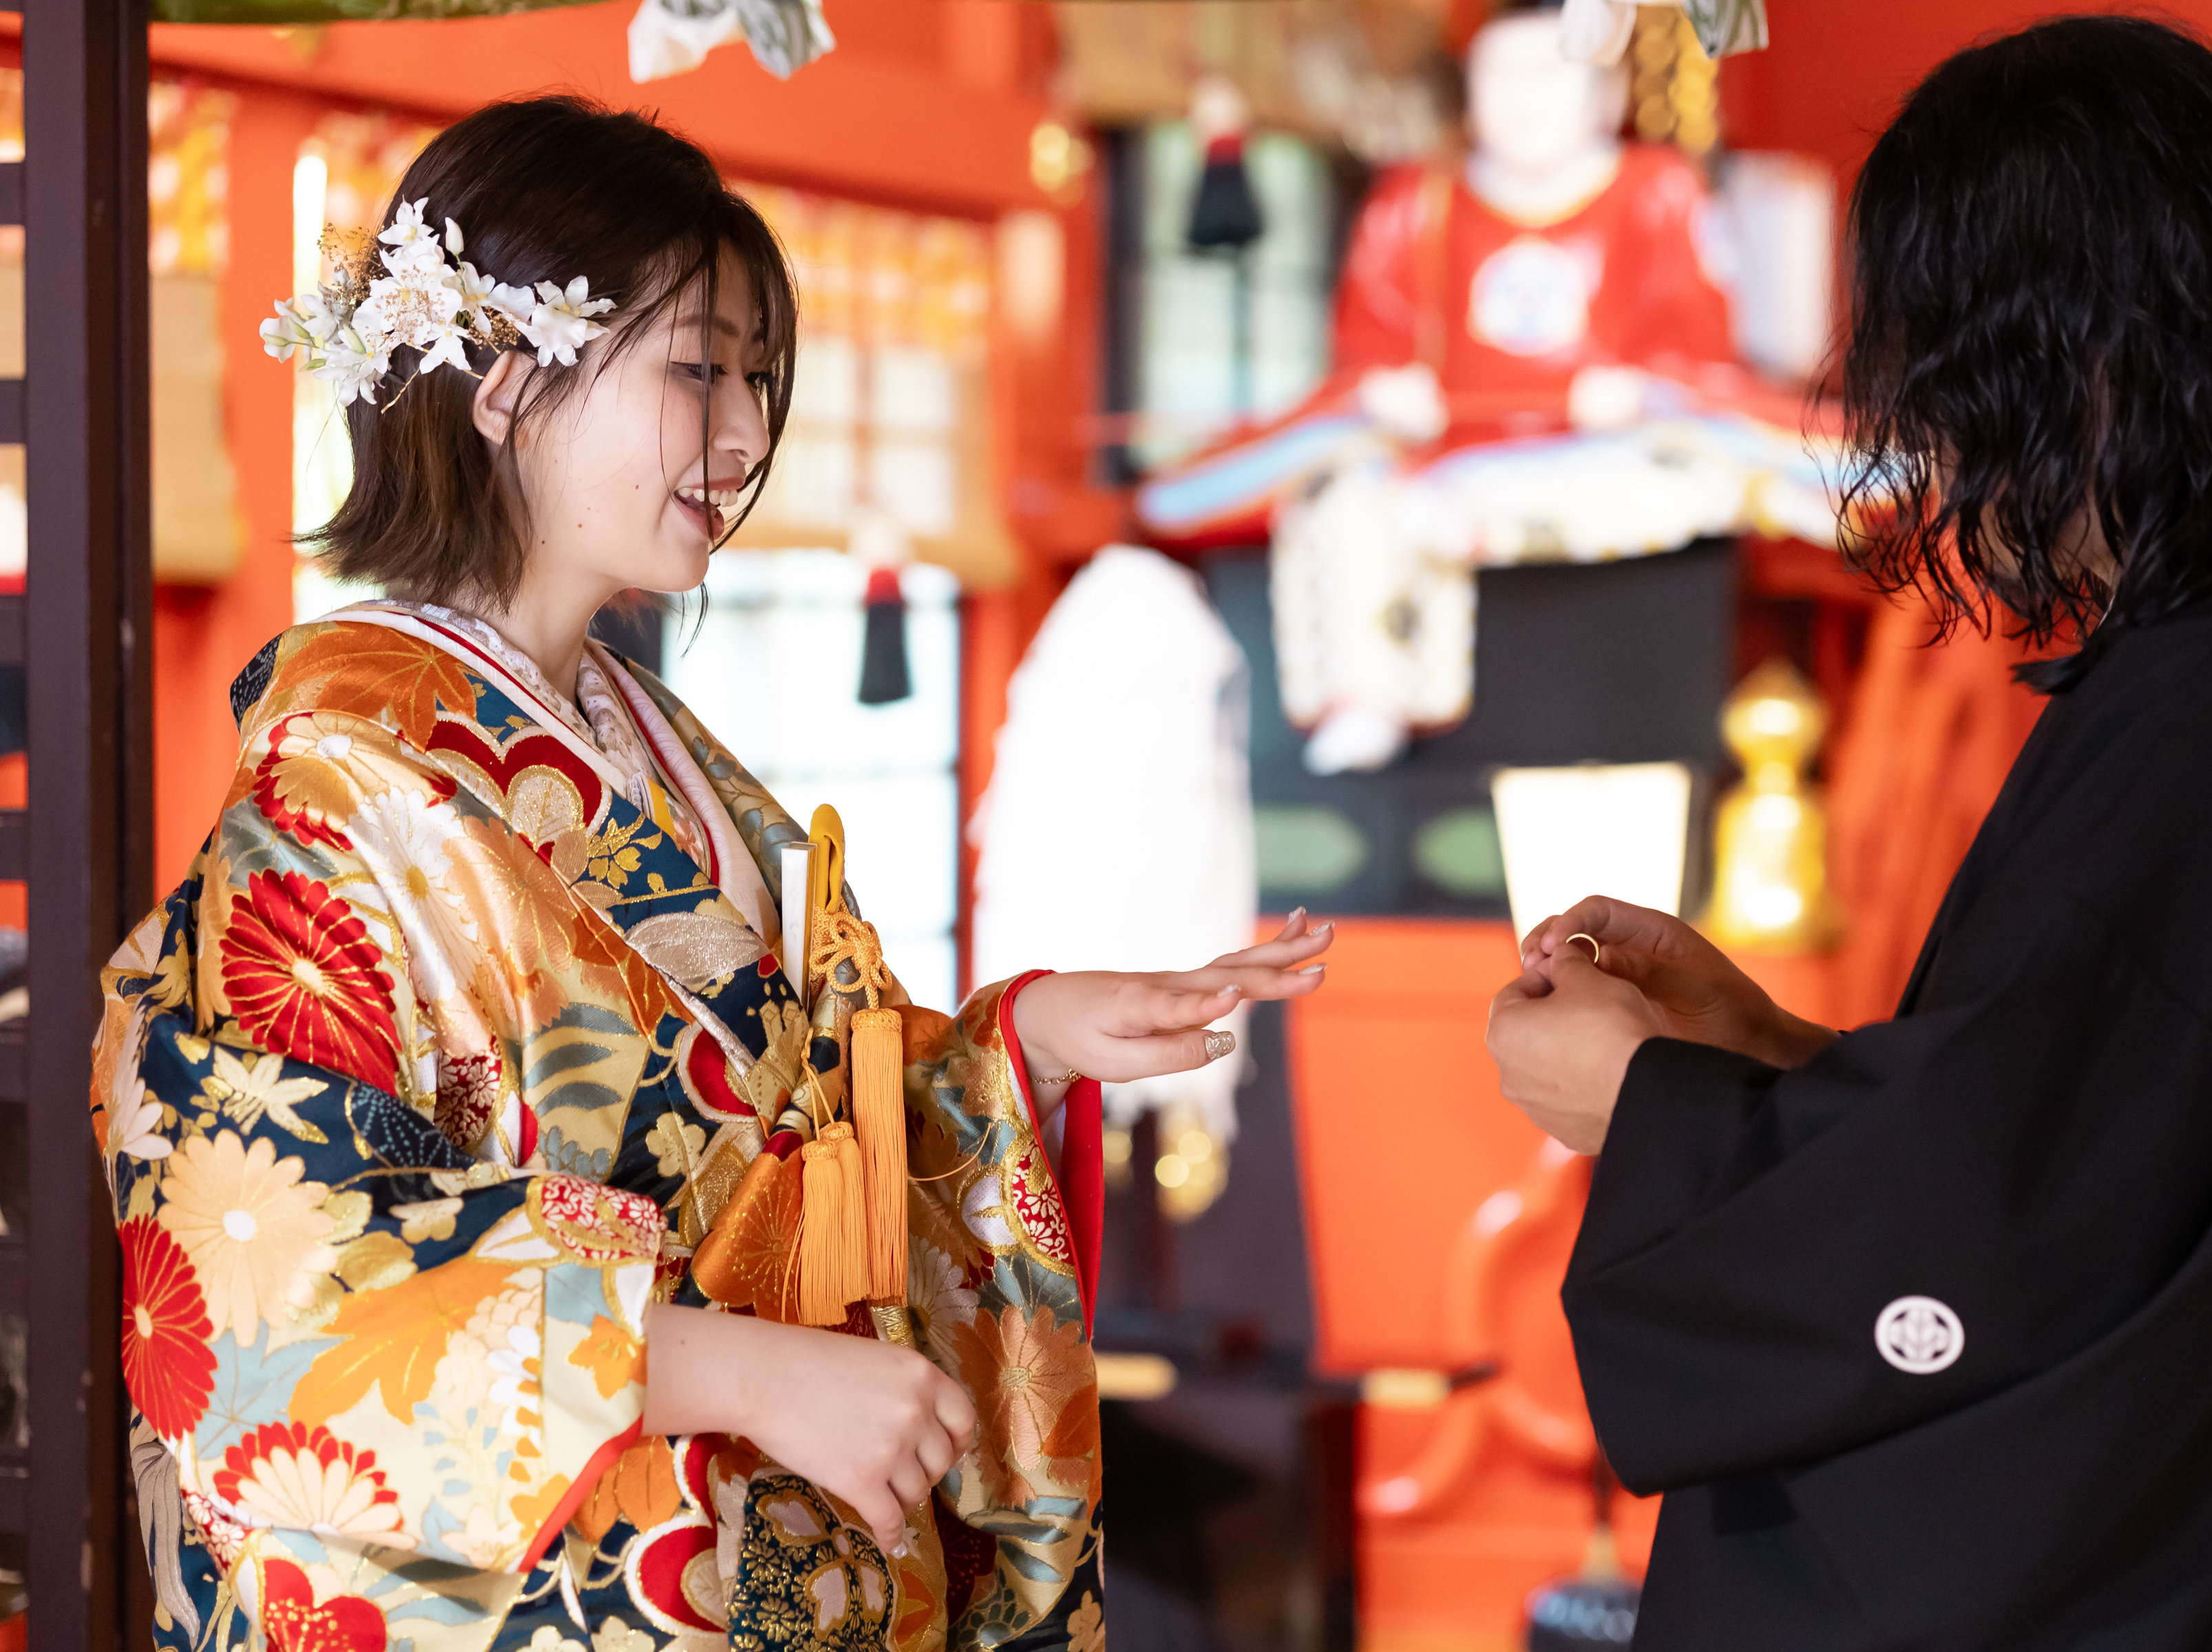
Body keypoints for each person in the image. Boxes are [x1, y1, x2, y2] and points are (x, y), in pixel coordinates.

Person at [94, 96, 1331, 1652]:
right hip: (574, 1576)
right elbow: (264, 1272)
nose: (745, 436)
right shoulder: (336, 784)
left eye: (756, 376)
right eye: (699, 370)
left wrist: (1022, 1045)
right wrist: (726, 1366)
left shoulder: (649, 739)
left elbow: (789, 1110)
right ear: (503, 382)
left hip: (782, 1543)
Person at [1485, 17, 2212, 1646]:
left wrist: (1650, 1108)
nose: (1940, 453)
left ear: (2057, 350)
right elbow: (2126, 1126)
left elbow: (2020, 1214)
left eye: (1947, 383)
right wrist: (1766, 1055)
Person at [1134, 0, 1842, 775]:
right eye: (1502, 73)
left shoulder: (1658, 190)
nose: (1525, 95)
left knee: (1718, 468)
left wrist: (1638, 391)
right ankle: (1369, 700)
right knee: (1348, 497)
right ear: (1468, 90)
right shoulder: (1415, 201)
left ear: (1605, 92)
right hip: (1450, 465)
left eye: (1551, 72)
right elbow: (1367, 354)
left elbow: (1697, 355)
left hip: (1612, 460)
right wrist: (1388, 394)